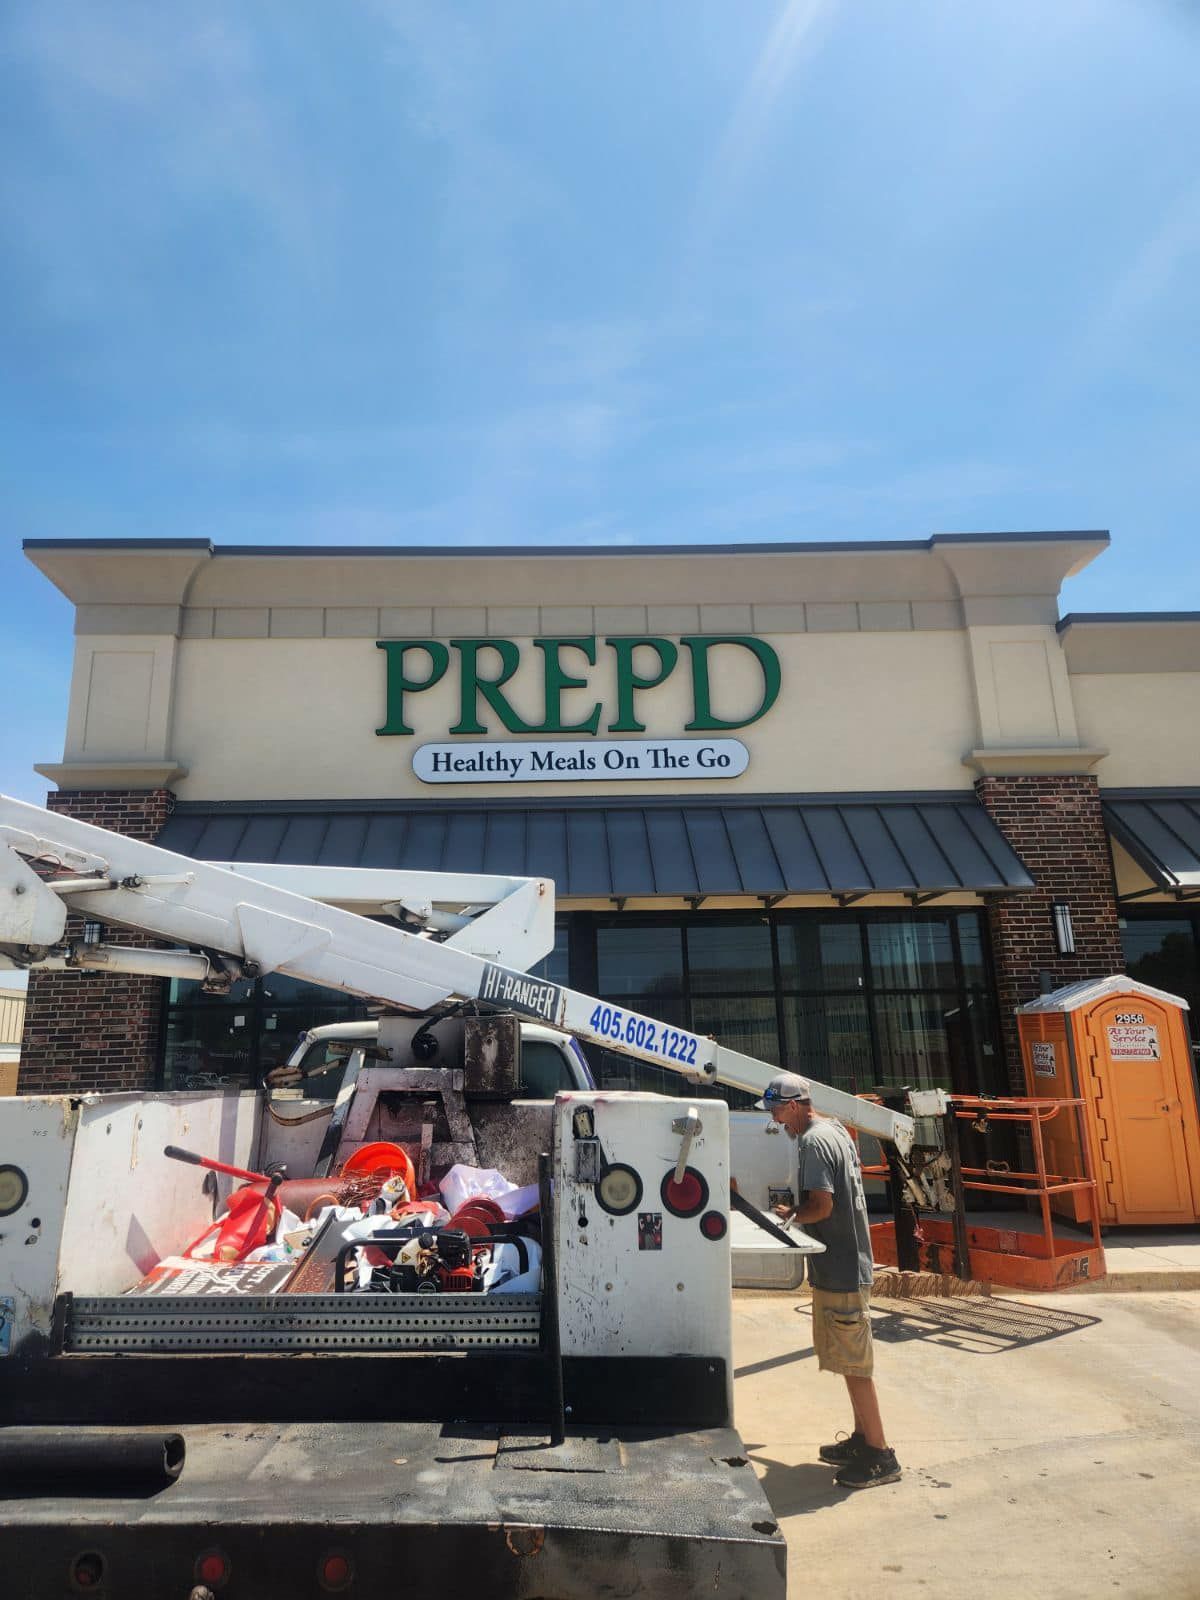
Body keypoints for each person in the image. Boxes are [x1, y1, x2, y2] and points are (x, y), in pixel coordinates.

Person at [758, 1070, 902, 1490]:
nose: (774, 1119)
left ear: (796, 1105)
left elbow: (821, 1206)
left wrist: (791, 1216)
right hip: (842, 1265)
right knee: (847, 1359)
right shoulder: (834, 1131)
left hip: (841, 1268)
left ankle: (880, 1454)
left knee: (855, 1366)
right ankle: (861, 1439)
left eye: (777, 1110)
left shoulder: (813, 1142)